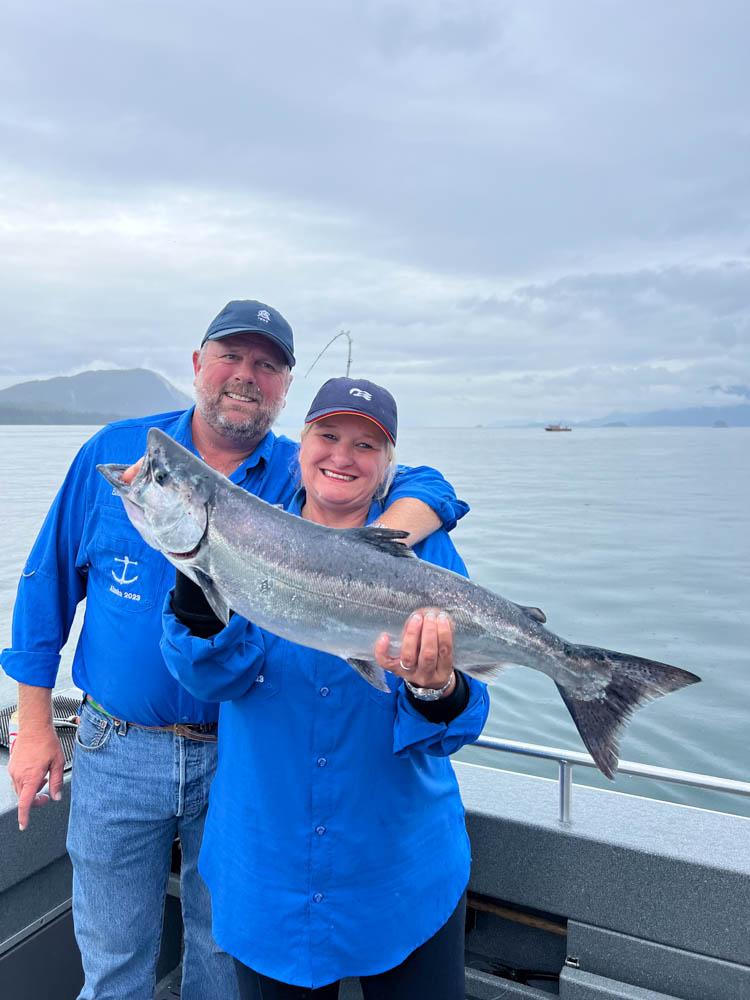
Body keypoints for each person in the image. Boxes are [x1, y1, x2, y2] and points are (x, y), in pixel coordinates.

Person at [0, 302, 469, 1000]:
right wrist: (34, 723)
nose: (245, 376)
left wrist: (377, 541)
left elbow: (425, 484)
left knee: (220, 964)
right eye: (231, 357)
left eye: (268, 365)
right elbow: (44, 592)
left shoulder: (294, 474)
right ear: (197, 364)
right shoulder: (118, 453)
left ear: (283, 390)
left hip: (232, 756)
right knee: (112, 954)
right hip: (117, 746)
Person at [160, 376, 490, 999]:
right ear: (300, 443)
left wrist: (435, 690)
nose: (343, 456)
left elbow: (465, 719)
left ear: (388, 464)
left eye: (367, 446)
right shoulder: (246, 535)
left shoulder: (425, 551)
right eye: (329, 435)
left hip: (401, 867)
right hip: (268, 870)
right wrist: (200, 602)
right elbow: (207, 677)